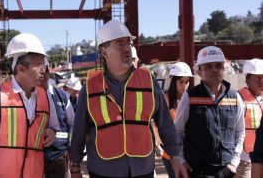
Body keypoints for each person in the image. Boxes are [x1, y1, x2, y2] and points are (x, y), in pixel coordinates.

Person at [69, 19, 187, 178]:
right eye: (119, 44)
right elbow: (79, 131)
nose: (127, 49)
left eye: (128, 43)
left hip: (142, 170)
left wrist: (175, 157)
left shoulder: (148, 80)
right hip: (103, 171)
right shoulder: (90, 87)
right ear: (104, 51)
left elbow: (165, 123)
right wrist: (75, 166)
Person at [0, 33, 60, 178]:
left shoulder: (46, 97)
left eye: (43, 64)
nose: (44, 70)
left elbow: (54, 128)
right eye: (38, 65)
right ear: (21, 68)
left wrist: (52, 133)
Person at [175, 46, 245, 177]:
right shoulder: (189, 97)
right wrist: (181, 160)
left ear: (224, 68)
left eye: (218, 65)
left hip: (225, 170)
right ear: (200, 71)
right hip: (196, 170)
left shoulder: (235, 98)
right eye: (208, 66)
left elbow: (240, 132)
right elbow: (178, 132)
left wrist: (234, 163)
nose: (214, 70)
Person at [39, 58, 75, 178]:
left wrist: (71, 150)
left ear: (48, 73)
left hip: (59, 158)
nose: (40, 75)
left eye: (43, 71)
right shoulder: (28, 96)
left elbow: (72, 124)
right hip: (35, 159)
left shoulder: (63, 97)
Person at [160, 62, 193, 178]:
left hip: (189, 152)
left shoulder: (192, 99)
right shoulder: (165, 100)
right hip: (171, 154)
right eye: (181, 82)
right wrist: (160, 145)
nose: (185, 85)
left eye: (187, 82)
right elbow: (156, 124)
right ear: (173, 81)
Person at [236, 58, 263, 178]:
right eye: (257, 78)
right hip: (244, 160)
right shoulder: (239, 98)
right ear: (247, 80)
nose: (261, 81)